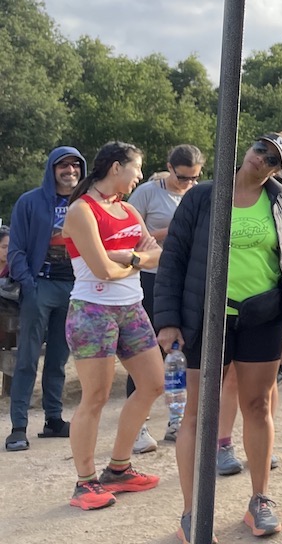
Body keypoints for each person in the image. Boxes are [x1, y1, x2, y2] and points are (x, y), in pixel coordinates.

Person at [155, 132, 282, 542]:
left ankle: (260, 501)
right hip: (204, 317)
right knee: (198, 414)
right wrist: (167, 321)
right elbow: (174, 257)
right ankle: (191, 513)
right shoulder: (202, 197)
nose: (263, 160)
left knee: (257, 405)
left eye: (274, 159)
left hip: (263, 316)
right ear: (247, 148)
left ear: (278, 169)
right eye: (260, 149)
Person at [60, 141, 165, 511]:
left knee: (153, 383)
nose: (139, 176)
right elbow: (102, 270)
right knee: (96, 398)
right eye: (136, 169)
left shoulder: (127, 208)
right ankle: (84, 482)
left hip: (130, 307)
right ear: (116, 167)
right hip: (92, 311)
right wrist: (134, 261)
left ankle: (118, 469)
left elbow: (156, 252)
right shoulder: (80, 211)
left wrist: (129, 256)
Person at [124, 143, 205, 452]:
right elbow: (131, 236)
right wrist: (169, 232)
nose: (189, 184)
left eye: (195, 178)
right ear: (170, 168)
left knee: (182, 351)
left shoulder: (197, 193)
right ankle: (139, 426)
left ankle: (176, 419)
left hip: (188, 282)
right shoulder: (147, 193)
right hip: (152, 280)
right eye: (184, 178)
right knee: (147, 351)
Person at [6, 146, 85, 452]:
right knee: (27, 358)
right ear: (52, 169)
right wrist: (29, 284)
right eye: (63, 166)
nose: (69, 171)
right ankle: (18, 427)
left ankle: (53, 418)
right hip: (40, 284)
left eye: (75, 166)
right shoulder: (30, 202)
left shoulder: (85, 202)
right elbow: (15, 249)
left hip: (74, 286)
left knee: (59, 358)